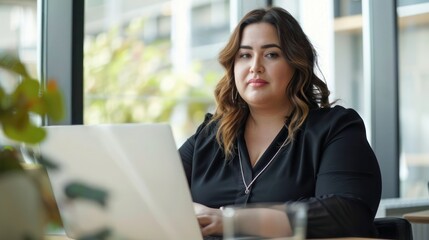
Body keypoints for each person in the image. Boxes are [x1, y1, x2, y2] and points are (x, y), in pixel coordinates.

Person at [179, 6, 382, 239]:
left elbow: (347, 212)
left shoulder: (335, 128)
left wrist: (230, 220)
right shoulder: (209, 135)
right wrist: (198, 214)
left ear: (296, 64)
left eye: (271, 54)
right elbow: (156, 194)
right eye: (245, 55)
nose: (255, 66)